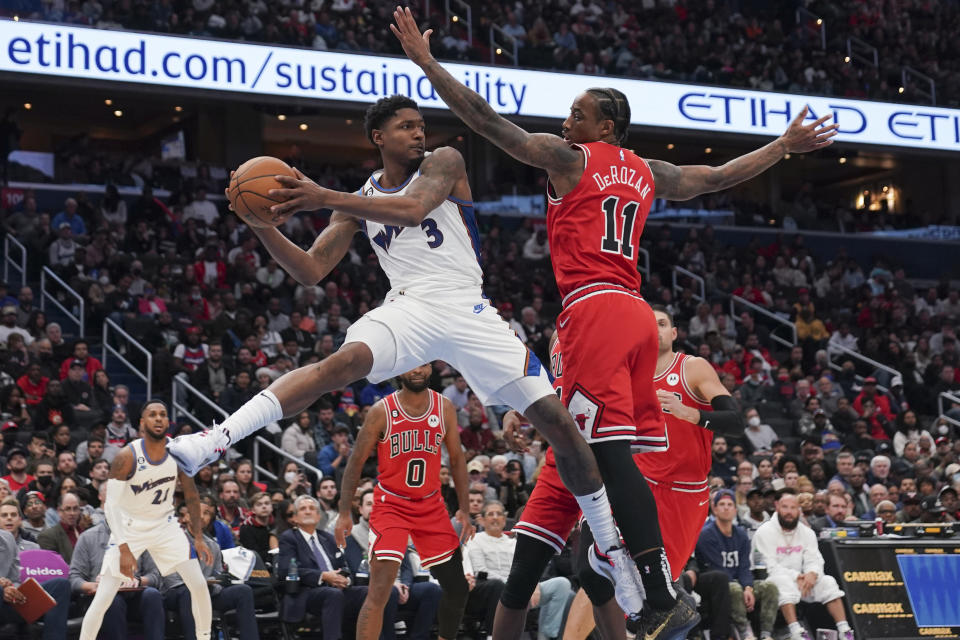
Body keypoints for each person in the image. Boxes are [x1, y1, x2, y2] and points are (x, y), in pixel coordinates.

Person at [389, 7, 837, 636]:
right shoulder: (648, 172)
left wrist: (428, 64)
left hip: (595, 309)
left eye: (578, 113)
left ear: (607, 124)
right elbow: (713, 178)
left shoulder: (568, 158)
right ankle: (649, 585)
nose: (567, 121)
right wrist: (783, 148)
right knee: (614, 453)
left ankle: (655, 589)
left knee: (606, 455)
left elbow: (489, 124)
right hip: (635, 312)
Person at [167, 94, 638, 608]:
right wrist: (262, 225)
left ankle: (610, 544)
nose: (418, 133)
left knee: (559, 425)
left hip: (466, 307)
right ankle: (216, 438)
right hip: (408, 307)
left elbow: (413, 209)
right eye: (407, 127)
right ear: (378, 138)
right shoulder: (359, 199)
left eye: (420, 125)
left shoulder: (445, 160)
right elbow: (308, 269)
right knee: (338, 364)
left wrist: (325, 195)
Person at [559, 306, 745, 637]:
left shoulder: (692, 368)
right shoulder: (626, 374)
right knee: (598, 570)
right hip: (635, 483)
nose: (655, 329)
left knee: (646, 597)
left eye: (662, 324)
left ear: (674, 333)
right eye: (649, 324)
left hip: (682, 495)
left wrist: (693, 414)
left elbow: (735, 421)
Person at [333, 364, 473, 640]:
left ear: (431, 367)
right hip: (392, 505)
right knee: (380, 591)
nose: (418, 371)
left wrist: (465, 509)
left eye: (423, 364)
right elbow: (355, 463)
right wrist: (344, 512)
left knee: (457, 588)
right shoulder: (381, 411)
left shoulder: (444, 407)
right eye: (411, 366)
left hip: (431, 505)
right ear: (399, 371)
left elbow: (456, 459)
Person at [79, 401, 214, 640]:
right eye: (153, 415)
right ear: (142, 423)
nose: (159, 418)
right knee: (104, 597)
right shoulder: (127, 456)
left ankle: (204, 636)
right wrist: (123, 548)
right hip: (130, 528)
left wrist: (199, 538)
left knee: (199, 585)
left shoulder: (178, 452)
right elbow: (111, 506)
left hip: (165, 526)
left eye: (163, 414)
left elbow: (192, 495)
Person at [277, 495, 384, 638]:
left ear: (318, 516)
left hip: (335, 589)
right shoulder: (289, 538)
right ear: (295, 518)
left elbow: (344, 566)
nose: (308, 511)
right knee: (332, 594)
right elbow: (285, 570)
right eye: (303, 509)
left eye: (312, 509)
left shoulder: (328, 537)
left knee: (367, 592)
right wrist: (324, 576)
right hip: (307, 592)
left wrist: (345, 579)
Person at [465, 500, 573, 640]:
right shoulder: (476, 540)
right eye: (491, 514)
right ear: (483, 520)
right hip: (494, 588)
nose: (495, 517)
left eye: (499, 514)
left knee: (562, 584)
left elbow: (528, 569)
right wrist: (517, 585)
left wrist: (533, 585)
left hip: (521, 587)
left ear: (505, 520)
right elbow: (481, 572)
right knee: (499, 585)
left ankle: (546, 635)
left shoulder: (514, 542)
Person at [753, 490, 853, 640]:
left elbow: (815, 559)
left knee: (828, 582)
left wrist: (812, 573)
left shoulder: (807, 532)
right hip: (773, 580)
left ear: (799, 510)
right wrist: (797, 576)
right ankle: (796, 632)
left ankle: (844, 630)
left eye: (793, 508)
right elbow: (769, 566)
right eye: (785, 507)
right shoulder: (764, 532)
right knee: (782, 581)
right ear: (777, 507)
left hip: (804, 582)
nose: (789, 512)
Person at [696, 490, 778, 640]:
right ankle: (745, 632)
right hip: (715, 585)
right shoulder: (706, 535)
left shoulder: (741, 534)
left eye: (729, 504)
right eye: (721, 504)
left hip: (739, 583)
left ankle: (767, 634)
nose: (726, 508)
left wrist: (748, 587)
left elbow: (744, 567)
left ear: (735, 510)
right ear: (714, 509)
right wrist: (742, 589)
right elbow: (717, 569)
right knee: (733, 588)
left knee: (770, 587)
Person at [69, 519, 166, 640]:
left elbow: (155, 575)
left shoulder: (141, 536)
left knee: (152, 595)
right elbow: (74, 578)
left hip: (133, 594)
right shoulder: (88, 537)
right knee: (112, 600)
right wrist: (94, 586)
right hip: (98, 597)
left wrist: (138, 580)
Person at [0, 528, 72, 640]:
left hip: (8, 602)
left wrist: (11, 588)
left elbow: (15, 577)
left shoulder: (7, 538)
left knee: (60, 585)